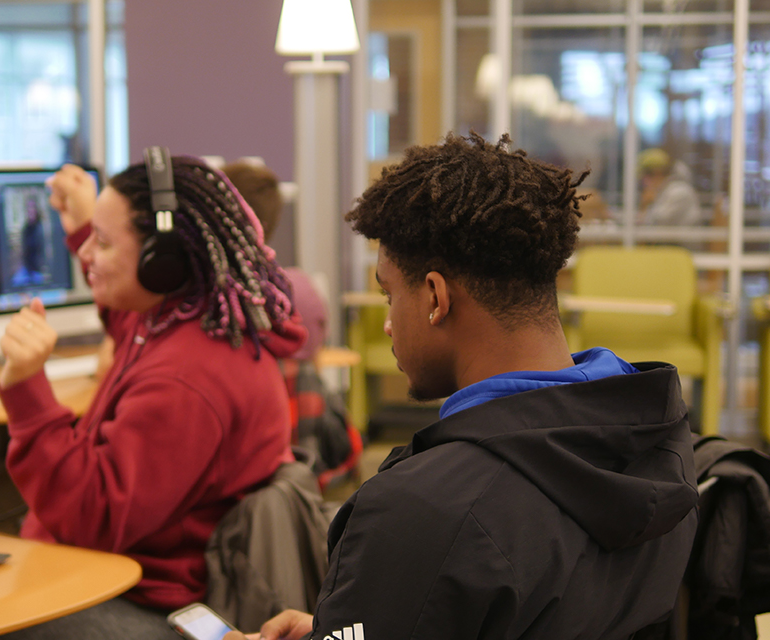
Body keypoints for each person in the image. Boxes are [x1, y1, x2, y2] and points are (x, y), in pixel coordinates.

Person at [224, 132, 699, 640]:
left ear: (435, 296)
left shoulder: (420, 510)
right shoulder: (661, 441)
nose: (388, 324)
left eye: (389, 296)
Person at [0, 152, 306, 639]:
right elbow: (130, 321)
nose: (84, 256)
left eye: (103, 243)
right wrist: (85, 227)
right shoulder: (190, 313)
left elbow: (91, 514)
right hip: (117, 570)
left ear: (162, 263)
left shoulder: (187, 380)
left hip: (141, 598)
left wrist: (27, 390)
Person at [221, 160, 361, 489]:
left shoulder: (210, 301)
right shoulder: (297, 290)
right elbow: (311, 359)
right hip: (298, 461)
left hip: (246, 463)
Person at [638, 147, 701, 226]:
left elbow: (658, 223)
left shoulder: (679, 191)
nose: (645, 182)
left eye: (646, 176)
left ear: (657, 173)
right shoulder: (665, 190)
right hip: (670, 237)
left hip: (681, 238)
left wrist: (647, 204)